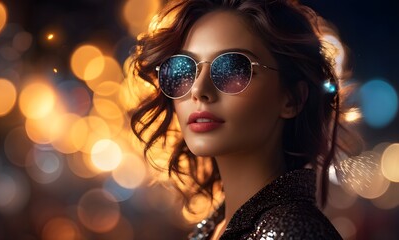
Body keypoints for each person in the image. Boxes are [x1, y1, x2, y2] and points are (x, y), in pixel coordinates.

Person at [130, 0, 360, 239]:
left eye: (233, 69)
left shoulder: (293, 232)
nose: (198, 89)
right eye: (184, 69)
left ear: (291, 100)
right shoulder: (218, 226)